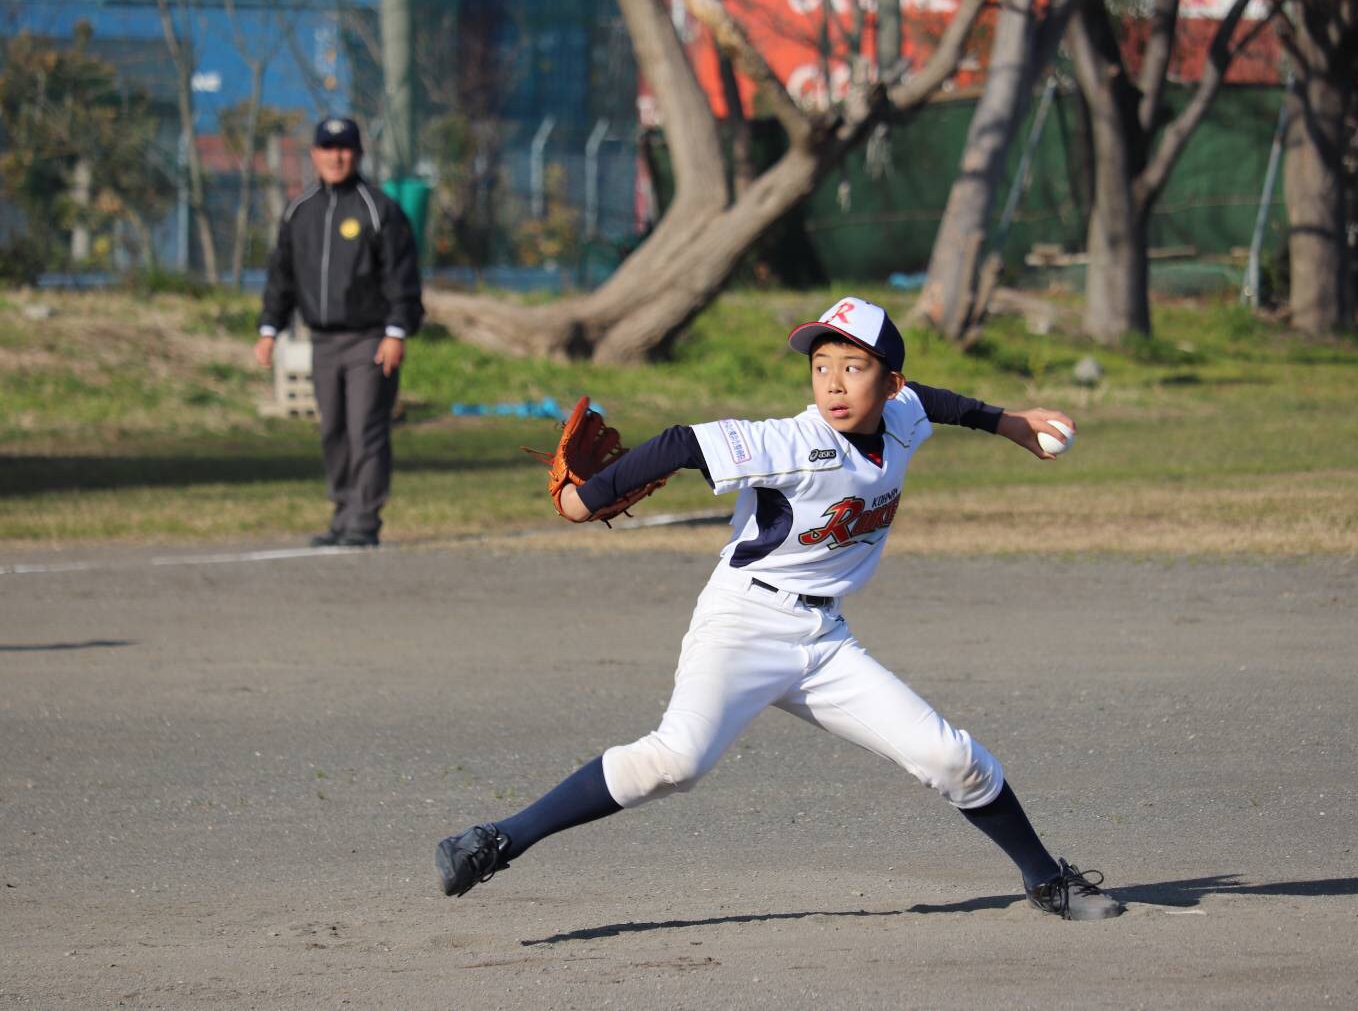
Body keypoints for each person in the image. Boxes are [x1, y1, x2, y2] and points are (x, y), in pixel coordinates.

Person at [436, 297, 1123, 921]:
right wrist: (583, 499)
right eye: (821, 365)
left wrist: (1007, 422)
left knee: (951, 758)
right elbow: (681, 441)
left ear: (890, 385)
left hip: (822, 638)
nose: (831, 381)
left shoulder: (903, 416)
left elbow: (937, 402)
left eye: (853, 367)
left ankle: (1044, 878)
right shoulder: (792, 440)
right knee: (676, 762)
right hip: (741, 624)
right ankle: (496, 839)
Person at [255, 117, 424, 548]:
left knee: (365, 427)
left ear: (358, 153)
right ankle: (342, 511)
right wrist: (270, 328)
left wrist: (396, 331)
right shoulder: (300, 211)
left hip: (369, 339)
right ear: (314, 155)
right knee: (333, 428)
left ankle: (364, 520)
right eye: (328, 148)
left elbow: (402, 278)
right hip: (323, 341)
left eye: (345, 148)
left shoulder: (378, 209)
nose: (336, 156)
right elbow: (282, 277)